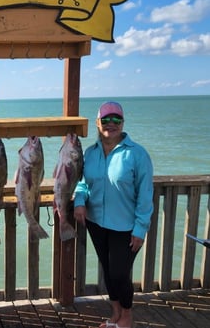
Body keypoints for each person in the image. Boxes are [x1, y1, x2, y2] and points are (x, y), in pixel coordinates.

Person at [73, 102, 154, 328]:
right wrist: (79, 201)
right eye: (106, 119)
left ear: (123, 123)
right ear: (98, 123)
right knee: (108, 271)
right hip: (96, 222)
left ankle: (127, 316)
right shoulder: (89, 154)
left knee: (119, 273)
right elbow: (82, 183)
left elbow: (146, 195)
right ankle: (116, 313)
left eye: (116, 119)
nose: (111, 124)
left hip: (125, 226)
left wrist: (140, 229)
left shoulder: (137, 154)